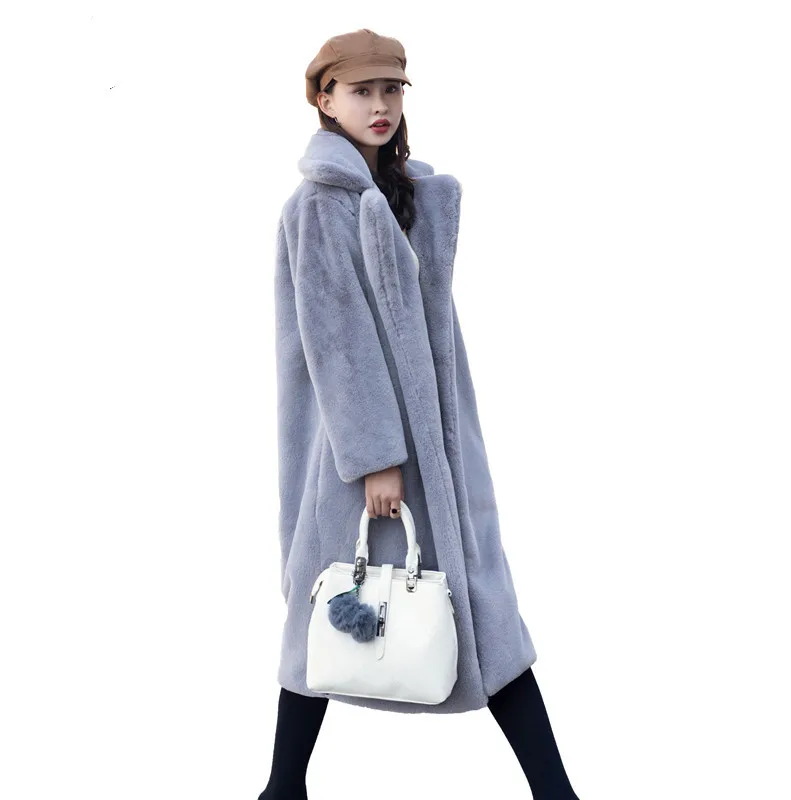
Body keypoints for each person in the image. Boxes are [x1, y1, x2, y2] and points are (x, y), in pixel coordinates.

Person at [259, 28, 581, 800]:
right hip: (364, 461)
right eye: (361, 91)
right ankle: (282, 787)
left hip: (436, 451)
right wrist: (375, 456)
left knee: (481, 609)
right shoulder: (321, 207)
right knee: (335, 606)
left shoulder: (396, 195)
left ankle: (555, 791)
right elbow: (336, 338)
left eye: (391, 90)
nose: (380, 105)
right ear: (323, 99)